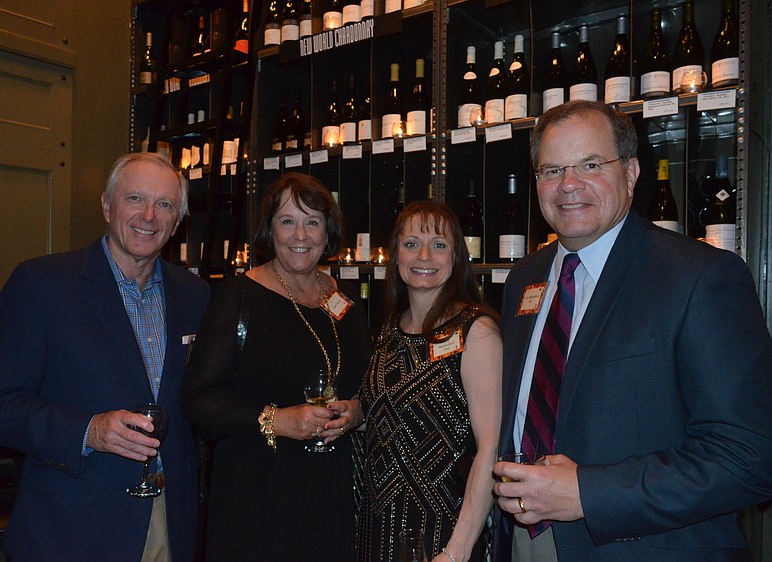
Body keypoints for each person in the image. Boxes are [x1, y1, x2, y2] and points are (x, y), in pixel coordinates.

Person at [492, 100, 772, 561]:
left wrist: (589, 493)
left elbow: (749, 456)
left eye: (590, 164)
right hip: (525, 540)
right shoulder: (525, 279)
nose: (568, 185)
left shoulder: (700, 277)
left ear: (632, 172)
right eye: (551, 170)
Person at [0, 152, 210, 561]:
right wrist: (88, 431)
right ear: (106, 205)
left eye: (165, 204)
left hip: (169, 521)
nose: (149, 215)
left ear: (177, 219)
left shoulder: (195, 295)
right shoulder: (42, 285)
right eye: (135, 198)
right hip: (73, 526)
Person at [181, 172, 371, 561]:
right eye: (288, 221)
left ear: (327, 231)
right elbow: (198, 399)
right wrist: (277, 420)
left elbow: (368, 382)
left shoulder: (345, 298)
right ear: (270, 229)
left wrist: (357, 411)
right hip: (258, 497)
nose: (300, 235)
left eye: (312, 222)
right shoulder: (237, 297)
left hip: (330, 494)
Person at [356, 200, 503, 562]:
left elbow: (491, 448)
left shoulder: (476, 332)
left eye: (439, 245)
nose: (424, 255)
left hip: (442, 532)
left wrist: (456, 551)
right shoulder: (393, 326)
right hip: (378, 526)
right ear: (396, 256)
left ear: (455, 259)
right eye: (411, 244)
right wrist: (355, 412)